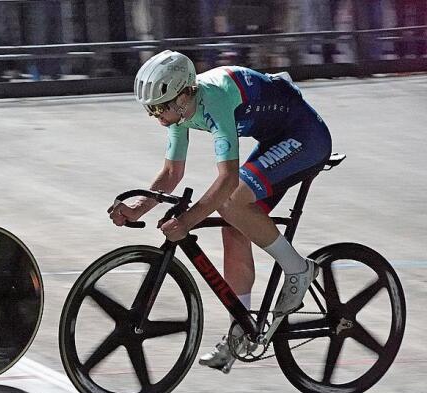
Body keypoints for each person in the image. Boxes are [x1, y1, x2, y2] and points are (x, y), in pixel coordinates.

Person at [110, 50, 331, 373]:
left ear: (185, 95)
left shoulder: (214, 100)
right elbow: (172, 173)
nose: (157, 117)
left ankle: (298, 268)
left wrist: (186, 220)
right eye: (151, 110)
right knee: (233, 225)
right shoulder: (180, 110)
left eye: (161, 108)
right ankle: (240, 331)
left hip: (305, 137)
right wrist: (139, 208)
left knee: (231, 203)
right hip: (276, 138)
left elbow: (227, 181)